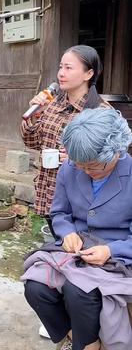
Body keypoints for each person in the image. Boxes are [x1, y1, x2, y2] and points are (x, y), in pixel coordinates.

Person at [22, 108, 132, 350]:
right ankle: (83, 340)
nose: (84, 171)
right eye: (80, 164)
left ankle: (85, 345)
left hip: (119, 256)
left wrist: (110, 251)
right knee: (36, 287)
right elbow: (59, 213)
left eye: (92, 166)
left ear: (116, 152)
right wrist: (67, 232)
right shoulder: (71, 168)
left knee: (77, 289)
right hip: (77, 249)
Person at [20, 45, 108, 236]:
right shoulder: (51, 105)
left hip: (82, 195)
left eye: (68, 68)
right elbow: (32, 142)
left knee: (81, 247)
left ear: (88, 74)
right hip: (50, 189)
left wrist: (77, 157)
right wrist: (34, 114)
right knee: (59, 243)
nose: (61, 73)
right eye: (60, 67)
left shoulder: (100, 112)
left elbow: (112, 158)